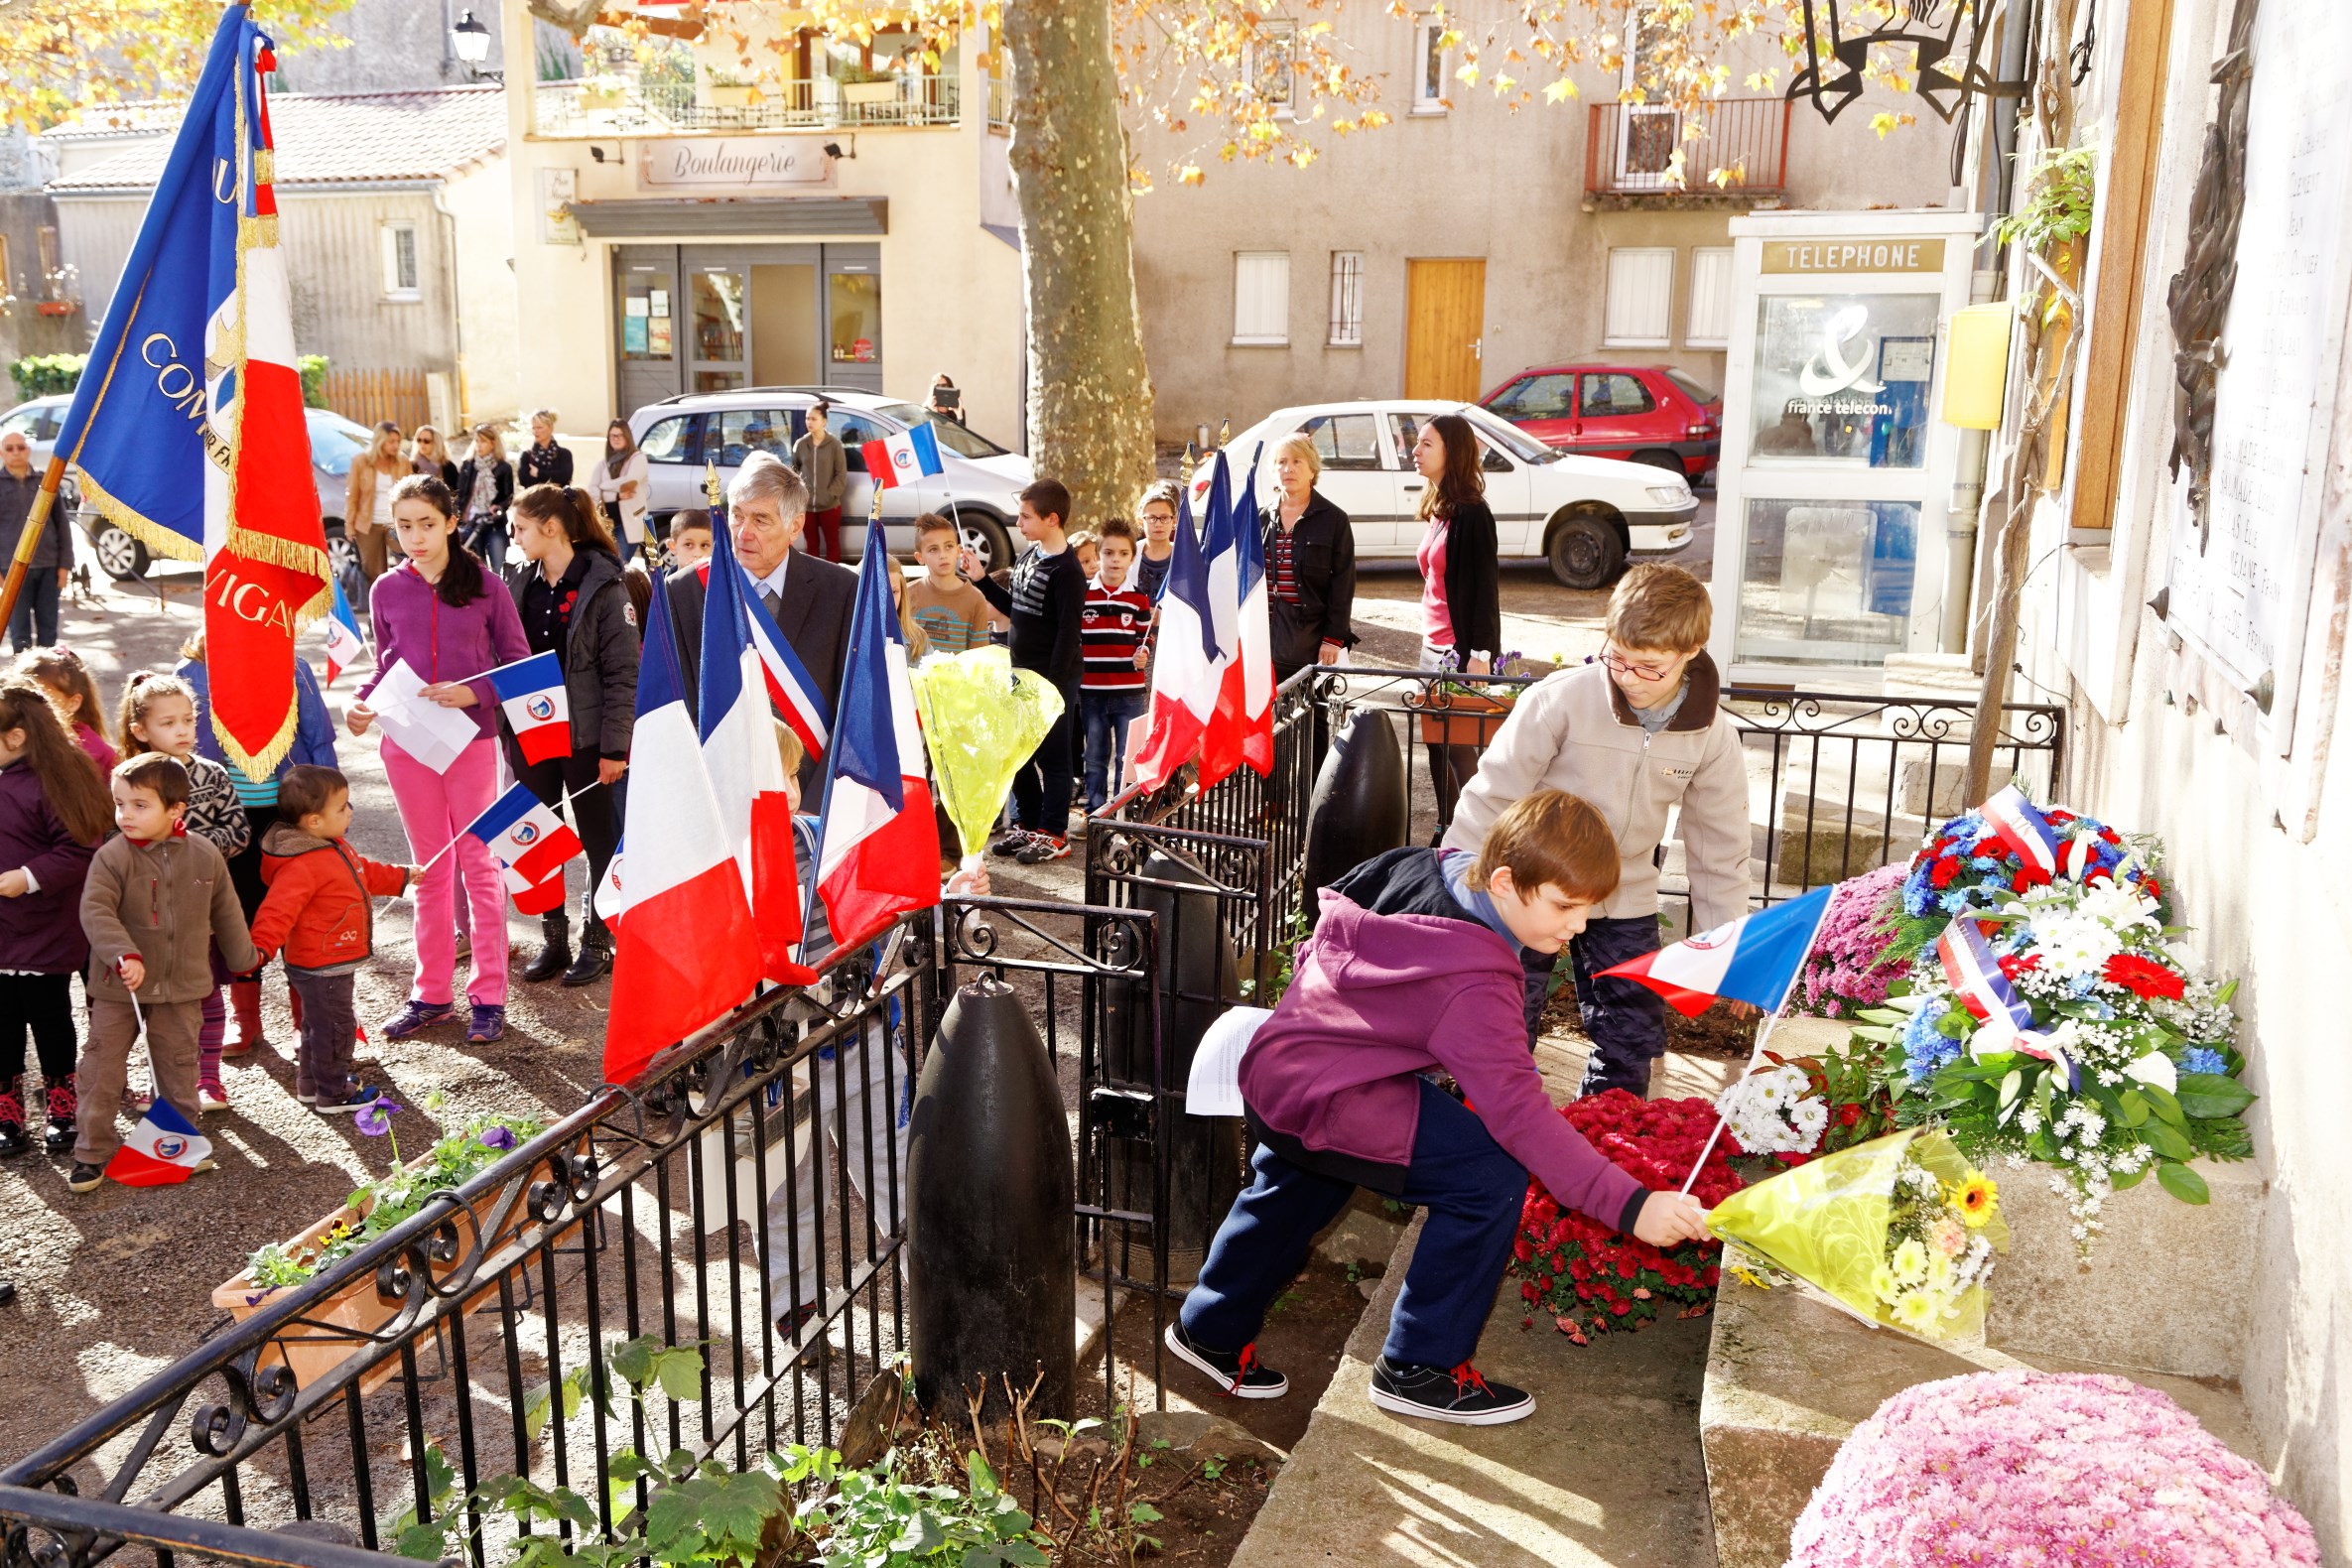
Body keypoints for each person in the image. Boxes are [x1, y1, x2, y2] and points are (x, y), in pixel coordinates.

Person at [1164, 790, 1712, 1424]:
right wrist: (1632, 1205)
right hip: (1333, 1090)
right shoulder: (1475, 981)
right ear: (1505, 879)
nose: (1578, 927)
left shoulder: (1425, 865)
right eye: (1565, 906)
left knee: (1301, 1178)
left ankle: (1210, 1327)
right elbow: (1521, 1116)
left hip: (1279, 1063)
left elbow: (1326, 936)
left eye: (1590, 909)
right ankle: (1419, 1366)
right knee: (1490, 1178)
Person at [1443, 565, 1751, 1095]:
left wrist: (1727, 947)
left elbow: (1720, 847)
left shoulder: (1712, 735)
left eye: (1649, 667)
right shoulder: (1559, 699)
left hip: (1625, 892)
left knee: (1631, 1034)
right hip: (1532, 887)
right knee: (1504, 1021)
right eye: (1617, 657)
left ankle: (1609, 1145)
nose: (1628, 675)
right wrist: (1458, 885)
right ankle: (1483, 1139)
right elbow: (1492, 794)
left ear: (1692, 651)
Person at [349, 474, 531, 1046]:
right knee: (428, 871)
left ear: (452, 522)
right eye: (404, 526)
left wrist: (472, 692)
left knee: (479, 866)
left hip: (472, 743)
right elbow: (386, 666)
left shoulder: (487, 586)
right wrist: (362, 703)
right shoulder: (385, 589)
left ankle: (490, 995)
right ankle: (430, 995)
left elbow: (520, 665)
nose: (415, 537)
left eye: (427, 524)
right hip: (406, 745)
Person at [69, 752, 261, 1193]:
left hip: (183, 986)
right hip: (120, 989)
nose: (125, 815)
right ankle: (91, 1153)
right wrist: (123, 954)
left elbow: (226, 910)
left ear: (176, 809)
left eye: (140, 805)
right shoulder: (111, 855)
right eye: (120, 803)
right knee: (102, 1069)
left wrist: (243, 958)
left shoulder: (204, 853)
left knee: (177, 1068)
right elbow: (95, 910)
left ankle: (174, 1147)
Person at [174, 629, 337, 1058]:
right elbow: (183, 747)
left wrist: (331, 807)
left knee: (298, 914)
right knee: (238, 916)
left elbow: (319, 737)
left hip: (289, 814)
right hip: (228, 817)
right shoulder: (194, 671)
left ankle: (307, 1021)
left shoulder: (292, 668)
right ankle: (246, 1019)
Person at [504, 484, 639, 987]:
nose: (512, 537)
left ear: (551, 527)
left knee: (599, 839)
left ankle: (599, 940)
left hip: (586, 739)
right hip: (530, 733)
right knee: (536, 837)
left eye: (519, 527)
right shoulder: (517, 579)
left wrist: (613, 748)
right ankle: (553, 938)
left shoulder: (605, 584)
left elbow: (623, 673)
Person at [661, 454, 856, 800]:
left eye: (760, 520)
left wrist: (816, 801)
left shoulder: (839, 589)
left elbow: (852, 703)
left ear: (795, 526)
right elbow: (679, 700)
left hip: (810, 794)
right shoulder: (684, 591)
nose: (743, 532)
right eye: (736, 515)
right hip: (719, 793)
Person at [248, 765, 415, 1114]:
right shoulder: (303, 863)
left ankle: (312, 1085)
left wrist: (402, 877)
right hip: (322, 963)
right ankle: (334, 1092)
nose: (350, 812)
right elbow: (277, 910)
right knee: (336, 1029)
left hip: (326, 958)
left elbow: (363, 872)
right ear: (312, 821)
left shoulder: (331, 845)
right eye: (341, 808)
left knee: (316, 1025)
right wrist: (260, 947)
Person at [119, 671, 251, 1111]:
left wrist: (185, 843)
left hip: (201, 913)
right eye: (168, 723)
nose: (181, 731)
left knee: (206, 996)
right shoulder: (128, 779)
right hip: (148, 916)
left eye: (188, 721)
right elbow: (110, 840)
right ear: (141, 730)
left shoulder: (211, 774)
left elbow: (238, 832)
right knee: (158, 1007)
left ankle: (208, 1082)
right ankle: (163, 1087)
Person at [0, 677, 109, 1158]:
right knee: (1, 1024)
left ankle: (62, 1107)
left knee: (50, 1019)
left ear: (16, 737)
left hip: (41, 924)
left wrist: (27, 876)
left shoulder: (54, 781)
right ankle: (8, 1112)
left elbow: (79, 849)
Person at [964, 478, 1085, 862]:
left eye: (1025, 516)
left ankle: (1054, 833)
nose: (1018, 523)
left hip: (1051, 679)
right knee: (1018, 755)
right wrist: (981, 579)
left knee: (1053, 757)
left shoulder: (1068, 571)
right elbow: (1017, 609)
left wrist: (1049, 686)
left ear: (1052, 519)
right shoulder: (1030, 556)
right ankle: (1030, 824)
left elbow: (1068, 633)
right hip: (1021, 672)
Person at [1411, 413, 1502, 836]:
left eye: (1427, 444)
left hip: (1459, 651)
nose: (1416, 450)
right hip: (1432, 647)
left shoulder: (1473, 515)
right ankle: (1447, 830)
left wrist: (1480, 655)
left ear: (1452, 452)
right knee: (1435, 742)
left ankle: (1474, 836)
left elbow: (1485, 590)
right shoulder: (1440, 508)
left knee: (1460, 747)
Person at [1260, 433, 1358, 682]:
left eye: (1297, 461)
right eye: (1281, 462)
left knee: (1314, 717)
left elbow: (1343, 585)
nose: (1288, 469)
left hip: (1312, 639)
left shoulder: (1334, 519)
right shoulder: (1260, 517)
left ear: (1312, 470)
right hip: (1263, 637)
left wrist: (1333, 639)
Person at [1078, 518, 1152, 819]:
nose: (1115, 560)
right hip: (1092, 692)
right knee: (1094, 756)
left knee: (1127, 755)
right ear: (1098, 555)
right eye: (1108, 553)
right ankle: (1095, 810)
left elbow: (1145, 639)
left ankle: (1123, 811)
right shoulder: (1083, 595)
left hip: (1128, 693)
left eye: (1123, 554)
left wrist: (1143, 652)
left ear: (1131, 558)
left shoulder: (1138, 599)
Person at [0, 431, 71, 652]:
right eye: (10, 448)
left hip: (48, 565)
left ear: (28, 450)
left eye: (20, 447)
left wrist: (65, 565)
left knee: (49, 632)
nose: (16, 453)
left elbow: (62, 524)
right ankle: (22, 684)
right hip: (11, 569)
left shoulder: (45, 481)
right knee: (19, 633)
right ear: (2, 453)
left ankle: (48, 681)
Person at [904, 514, 996, 654]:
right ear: (920, 557)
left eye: (948, 546)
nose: (943, 555)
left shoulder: (975, 599)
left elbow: (979, 656)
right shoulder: (907, 594)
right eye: (933, 549)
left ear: (959, 551)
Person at [14, 648, 114, 776]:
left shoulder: (98, 753)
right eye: (21, 697)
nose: (29, 707)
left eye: (42, 699)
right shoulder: (11, 743)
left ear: (73, 703)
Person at [343, 422, 407, 583]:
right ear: (380, 441)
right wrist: (349, 525)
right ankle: (379, 603)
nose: (395, 445)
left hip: (395, 522)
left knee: (406, 561)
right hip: (368, 524)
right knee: (373, 570)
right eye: (391, 441)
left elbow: (410, 493)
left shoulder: (402, 461)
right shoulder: (361, 461)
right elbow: (353, 495)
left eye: (397, 441)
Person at [792, 402, 849, 565]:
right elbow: (794, 471)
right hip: (807, 506)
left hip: (829, 506)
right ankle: (815, 578)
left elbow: (841, 473)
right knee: (811, 545)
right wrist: (801, 496)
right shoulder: (801, 444)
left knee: (832, 544)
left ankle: (833, 578)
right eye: (807, 418)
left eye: (814, 419)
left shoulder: (834, 445)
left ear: (824, 421)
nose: (809, 422)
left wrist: (830, 494)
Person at [454, 424, 515, 571]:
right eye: (476, 441)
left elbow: (508, 496)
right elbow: (460, 493)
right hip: (470, 523)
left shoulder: (503, 467)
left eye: (483, 441)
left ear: (493, 443)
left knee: (499, 566)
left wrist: (499, 507)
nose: (479, 445)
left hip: (493, 523)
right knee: (476, 568)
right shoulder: (468, 465)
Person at [593, 419, 651, 554]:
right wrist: (616, 496)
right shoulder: (604, 463)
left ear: (627, 436)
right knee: (610, 562)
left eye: (620, 435)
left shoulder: (638, 458)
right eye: (612, 435)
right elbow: (592, 489)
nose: (616, 439)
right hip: (607, 522)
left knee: (621, 563)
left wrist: (604, 486)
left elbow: (629, 483)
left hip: (629, 523)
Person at [1135, 481, 1181, 602]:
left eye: (1164, 518)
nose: (1158, 524)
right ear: (1140, 521)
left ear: (1174, 521)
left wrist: (1160, 614)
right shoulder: (1129, 554)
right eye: (1151, 518)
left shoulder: (1184, 556)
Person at [518, 410, 573, 491]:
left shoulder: (564, 454)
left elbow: (565, 476)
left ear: (550, 428)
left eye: (539, 427)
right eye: (533, 428)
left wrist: (538, 473)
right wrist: (554, 478)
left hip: (559, 502)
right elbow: (524, 481)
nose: (535, 431)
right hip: (534, 501)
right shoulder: (527, 455)